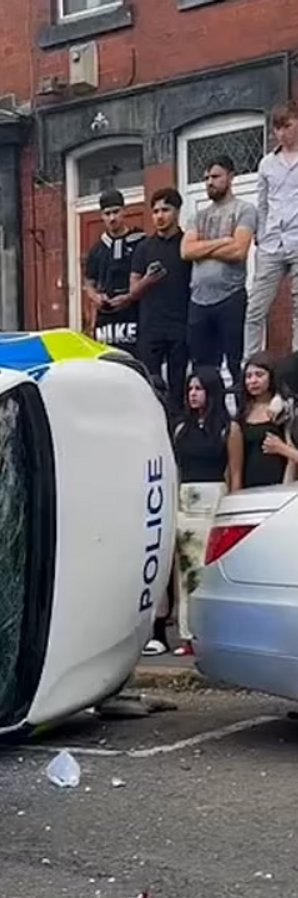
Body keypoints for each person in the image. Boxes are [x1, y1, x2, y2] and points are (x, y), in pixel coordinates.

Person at [180, 155, 257, 388]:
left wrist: (202, 248)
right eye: (206, 178)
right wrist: (222, 241)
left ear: (230, 177)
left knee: (236, 364)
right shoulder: (198, 216)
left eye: (215, 176)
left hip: (230, 297)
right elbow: (186, 251)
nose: (209, 183)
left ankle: (240, 417)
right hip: (198, 301)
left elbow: (239, 251)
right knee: (202, 369)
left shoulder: (244, 209)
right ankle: (210, 418)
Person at [170, 367, 232, 657]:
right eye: (190, 389)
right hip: (186, 501)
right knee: (187, 571)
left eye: (199, 389)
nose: (194, 394)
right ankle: (188, 634)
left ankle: (216, 632)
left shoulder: (227, 428)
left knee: (212, 570)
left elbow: (235, 472)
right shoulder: (181, 429)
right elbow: (177, 471)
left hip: (215, 497)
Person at [129, 188, 192, 413]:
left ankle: (177, 433)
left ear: (177, 211)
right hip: (151, 328)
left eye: (165, 210)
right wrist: (148, 280)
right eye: (155, 211)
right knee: (149, 387)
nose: (159, 216)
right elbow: (132, 291)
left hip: (180, 326)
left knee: (177, 388)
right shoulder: (144, 248)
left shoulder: (187, 244)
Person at [243, 100, 298, 359]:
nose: (282, 133)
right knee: (255, 308)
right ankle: (249, 366)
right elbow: (262, 203)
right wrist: (262, 237)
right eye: (277, 128)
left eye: (287, 126)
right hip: (272, 243)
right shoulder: (267, 163)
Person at [83, 189, 146, 354]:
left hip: (135, 316)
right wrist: (96, 297)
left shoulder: (141, 242)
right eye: (107, 213)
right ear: (101, 216)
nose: (112, 218)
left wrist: (131, 296)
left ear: (124, 211)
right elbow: (89, 282)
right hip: (106, 321)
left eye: (116, 212)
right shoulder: (97, 249)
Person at [228, 351, 296, 490]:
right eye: (248, 376)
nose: (253, 381)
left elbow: (291, 457)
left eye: (259, 375)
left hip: (281, 485)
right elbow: (235, 465)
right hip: (250, 485)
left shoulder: (282, 409)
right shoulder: (242, 414)